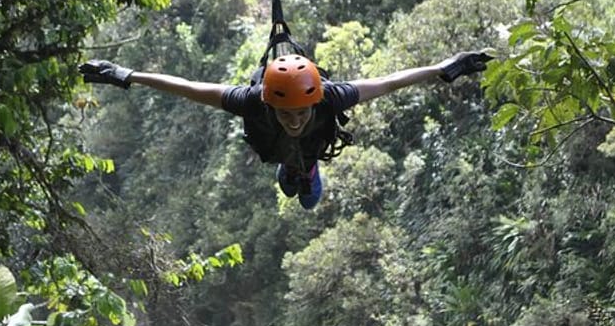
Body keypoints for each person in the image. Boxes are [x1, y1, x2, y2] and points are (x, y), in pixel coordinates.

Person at [79, 50, 492, 209]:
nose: (294, 119)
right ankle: (293, 172)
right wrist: (126, 75)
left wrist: (441, 70)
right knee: (288, 181)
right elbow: (188, 88)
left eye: (301, 113)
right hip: (277, 152)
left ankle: (305, 171)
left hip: (310, 152)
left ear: (315, 101)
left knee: (307, 197)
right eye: (286, 113)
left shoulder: (331, 96)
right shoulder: (252, 100)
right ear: (271, 104)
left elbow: (388, 82)